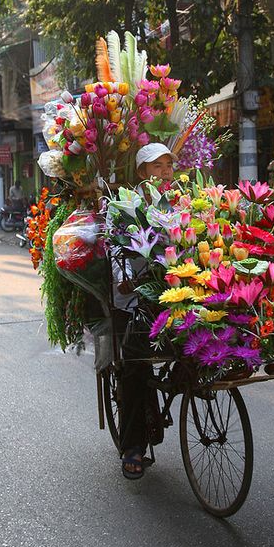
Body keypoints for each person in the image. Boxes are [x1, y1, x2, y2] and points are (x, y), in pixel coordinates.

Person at [112, 143, 177, 480]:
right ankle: (133, 446)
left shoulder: (180, 201)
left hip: (176, 290)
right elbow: (115, 250)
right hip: (136, 297)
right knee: (135, 368)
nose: (164, 171)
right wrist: (125, 280)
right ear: (142, 172)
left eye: (168, 165)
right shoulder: (126, 203)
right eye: (156, 166)